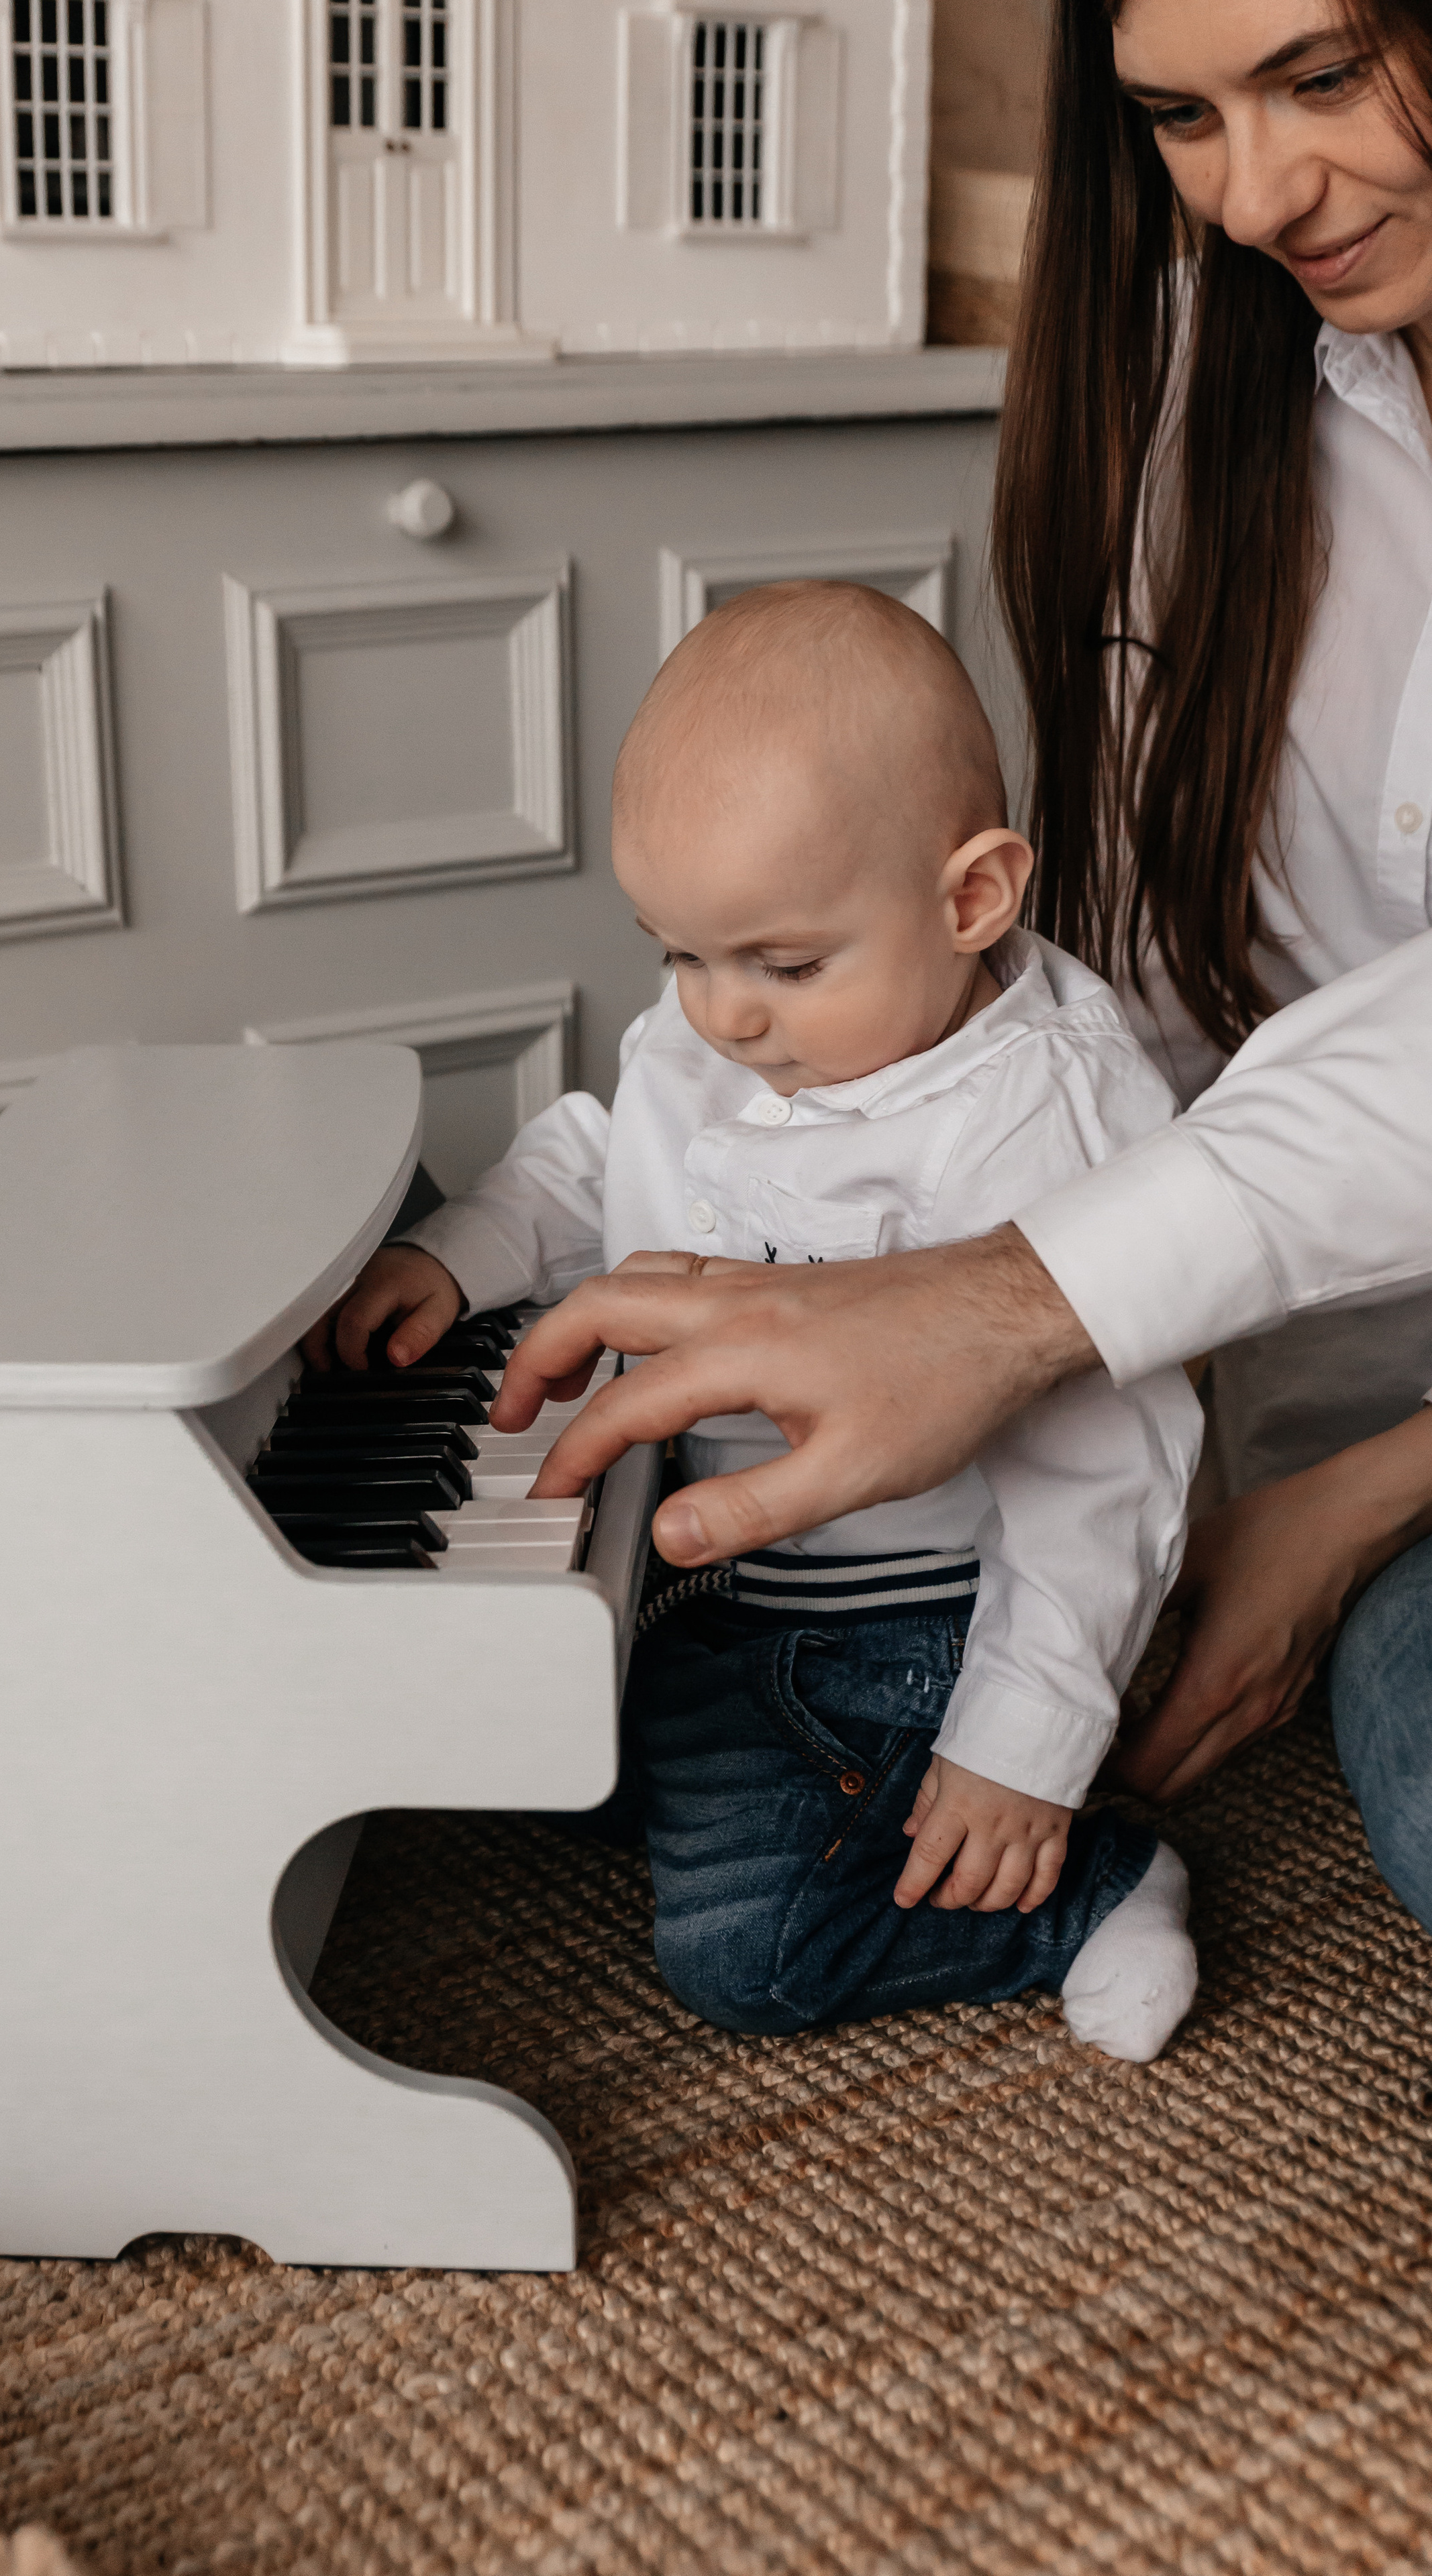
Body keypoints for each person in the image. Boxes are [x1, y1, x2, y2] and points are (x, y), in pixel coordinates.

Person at [491, 0, 1432, 1935]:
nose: (1258, 197)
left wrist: (1336, 1499)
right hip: (1317, 1348)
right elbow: (1177, 970)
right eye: (1180, 115)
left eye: (1324, 78)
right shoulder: (1208, 396)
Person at [315, 582, 1203, 2059]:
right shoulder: (730, 1020)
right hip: (706, 1576)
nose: (718, 1016)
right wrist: (466, 1252)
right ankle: (699, 1755)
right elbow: (605, 1144)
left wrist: (1019, 1748)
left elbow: (1109, 1472)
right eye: (675, 952)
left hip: (904, 1636)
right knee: (501, 1743)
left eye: (780, 966)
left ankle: (1093, 1887)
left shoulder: (1037, 1116)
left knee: (750, 1951)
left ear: (970, 899)